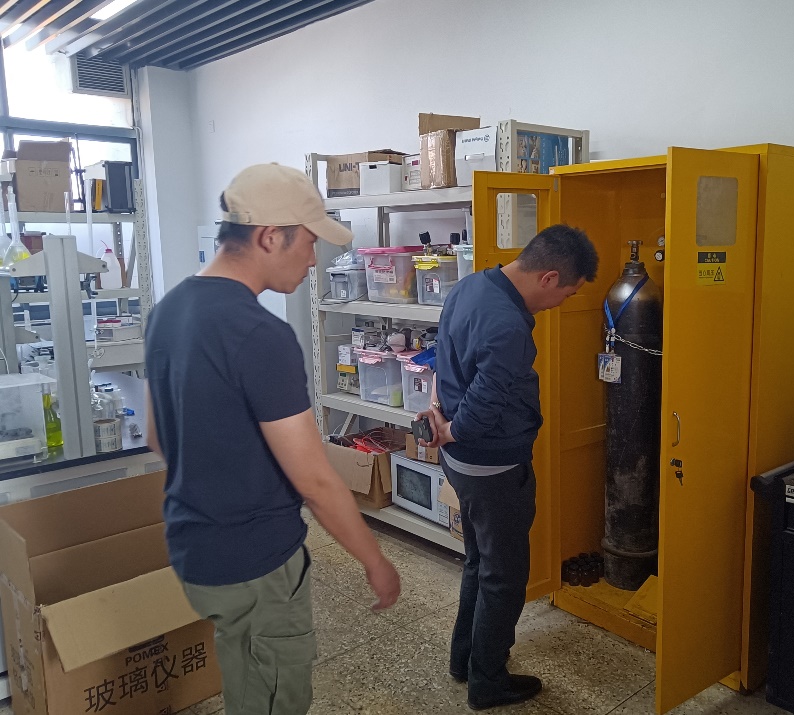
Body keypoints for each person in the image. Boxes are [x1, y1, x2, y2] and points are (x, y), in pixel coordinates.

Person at [144, 163, 400, 715]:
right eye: (308, 242)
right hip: (255, 561)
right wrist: (374, 559)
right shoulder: (261, 335)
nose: (313, 260)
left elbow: (157, 436)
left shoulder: (167, 311)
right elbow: (314, 480)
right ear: (269, 236)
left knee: (244, 671)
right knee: (274, 695)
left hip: (193, 547)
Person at [419, 224, 599, 710]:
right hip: (493, 468)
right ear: (549, 277)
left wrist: (437, 413)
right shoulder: (509, 327)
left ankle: (465, 660)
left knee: (480, 562)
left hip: (464, 466)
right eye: (568, 293)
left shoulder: (471, 286)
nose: (561, 303)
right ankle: (489, 681)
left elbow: (441, 356)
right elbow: (482, 408)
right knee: (504, 576)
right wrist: (450, 430)